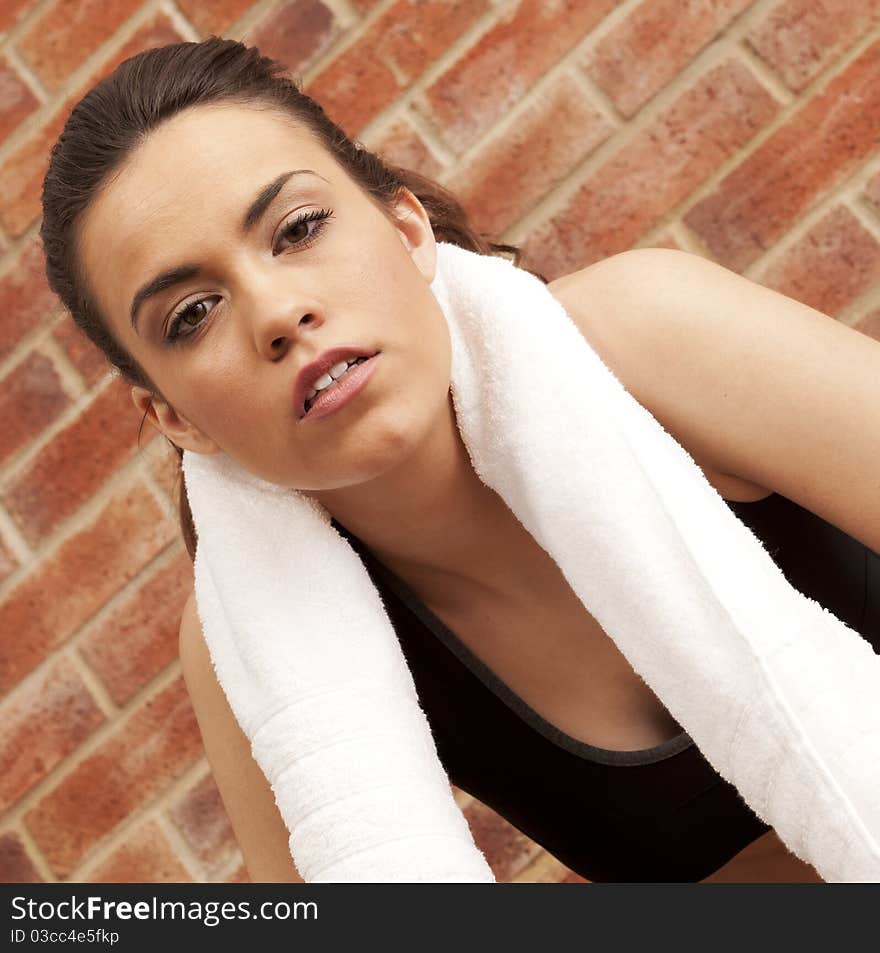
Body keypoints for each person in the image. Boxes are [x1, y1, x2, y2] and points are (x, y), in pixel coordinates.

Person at [40, 37, 877, 884]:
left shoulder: (644, 338)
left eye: (297, 229)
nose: (278, 311)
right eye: (192, 315)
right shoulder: (243, 648)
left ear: (406, 229)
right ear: (174, 415)